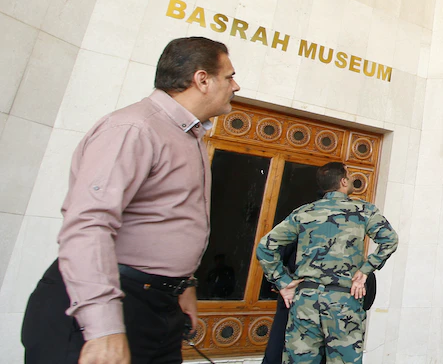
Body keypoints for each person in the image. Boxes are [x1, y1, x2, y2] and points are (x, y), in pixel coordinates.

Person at [22, 36, 238, 364]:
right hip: (106, 307)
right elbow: (88, 225)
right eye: (229, 76)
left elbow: (167, 220)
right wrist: (103, 326)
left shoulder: (188, 135)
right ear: (202, 79)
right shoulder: (135, 129)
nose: (235, 86)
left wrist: (185, 286)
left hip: (157, 307)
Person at [256, 162, 397, 364]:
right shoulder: (363, 210)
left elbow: (265, 247)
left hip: (306, 301)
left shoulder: (304, 212)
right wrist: (365, 271)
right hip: (344, 301)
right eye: (348, 176)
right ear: (343, 181)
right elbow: (389, 240)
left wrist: (283, 283)